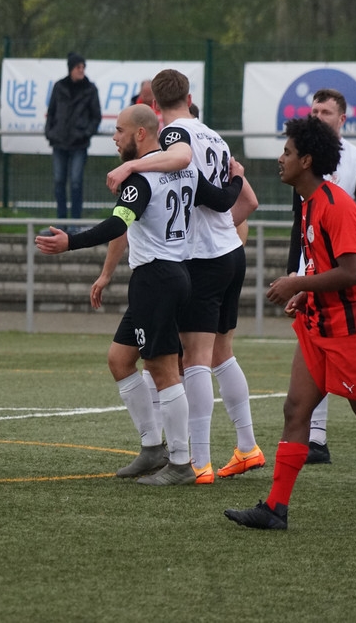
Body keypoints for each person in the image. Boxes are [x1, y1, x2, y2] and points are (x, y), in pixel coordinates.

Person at [224, 115, 356, 532]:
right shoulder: (310, 202)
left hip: (352, 331)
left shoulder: (336, 205)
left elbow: (352, 272)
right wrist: (306, 294)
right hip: (319, 325)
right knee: (296, 408)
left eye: (287, 152)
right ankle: (275, 508)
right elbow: (327, 266)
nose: (280, 158)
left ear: (306, 160)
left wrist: (298, 283)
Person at [37, 104, 245, 486]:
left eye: (119, 130)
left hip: (156, 279)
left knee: (163, 370)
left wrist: (71, 242)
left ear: (141, 134)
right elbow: (220, 200)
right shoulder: (184, 169)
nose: (114, 137)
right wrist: (236, 178)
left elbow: (118, 224)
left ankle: (180, 462)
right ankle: (152, 448)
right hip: (175, 274)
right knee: (120, 359)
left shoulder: (140, 178)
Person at [106, 69, 262, 486]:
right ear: (190, 98)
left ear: (155, 107)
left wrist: (131, 166)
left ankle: (196, 461)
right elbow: (249, 200)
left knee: (191, 359)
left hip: (200, 259)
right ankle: (246, 446)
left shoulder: (175, 136)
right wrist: (222, 227)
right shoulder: (216, 137)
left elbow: (180, 159)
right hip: (229, 253)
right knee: (221, 354)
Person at [290, 88, 356, 465]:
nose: (318, 117)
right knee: (312, 350)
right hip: (310, 274)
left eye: (325, 112)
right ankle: (315, 437)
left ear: (343, 119)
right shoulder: (302, 162)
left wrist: (343, 264)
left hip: (344, 280)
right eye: (314, 111)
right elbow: (299, 222)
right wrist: (295, 270)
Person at [44, 52, 102, 224]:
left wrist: (85, 133)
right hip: (59, 142)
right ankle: (61, 222)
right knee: (59, 181)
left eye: (83, 67)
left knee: (76, 182)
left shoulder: (90, 89)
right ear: (71, 68)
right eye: (78, 67)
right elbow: (51, 112)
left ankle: (76, 222)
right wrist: (50, 132)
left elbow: (96, 116)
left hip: (79, 143)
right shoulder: (59, 86)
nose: (81, 70)